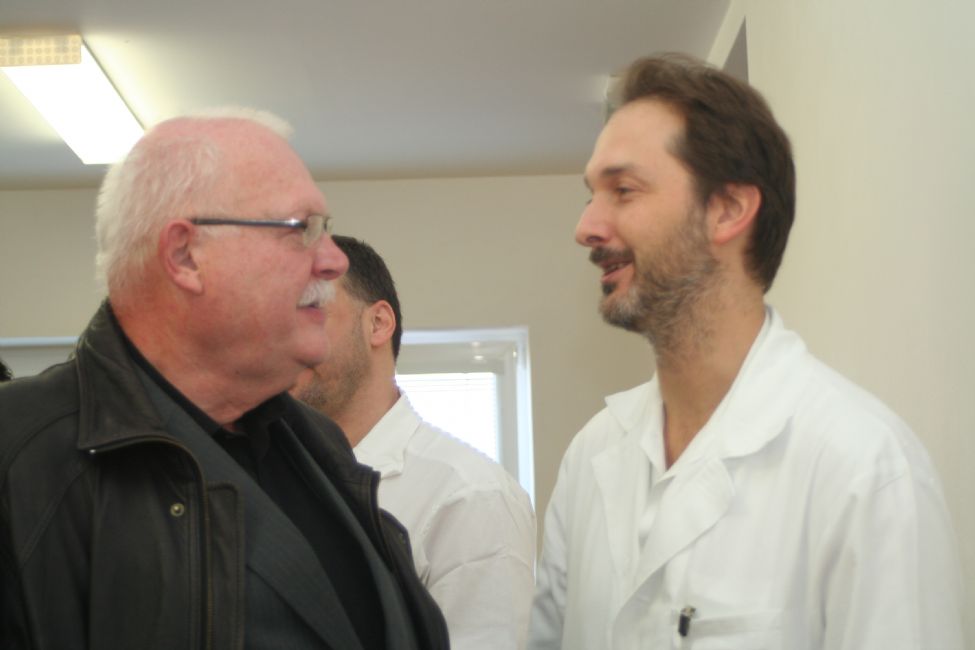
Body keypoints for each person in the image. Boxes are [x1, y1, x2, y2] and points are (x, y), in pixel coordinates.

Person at [528, 54, 963, 649]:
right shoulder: (591, 457)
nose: (586, 227)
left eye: (623, 190)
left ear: (728, 210)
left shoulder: (866, 469)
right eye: (591, 195)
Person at [0, 109, 448, 650]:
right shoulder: (20, 454)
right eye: (301, 229)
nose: (333, 260)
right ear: (185, 256)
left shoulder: (315, 442)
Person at [292, 235, 537, 649]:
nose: (288, 339)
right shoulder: (275, 476)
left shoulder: (469, 496)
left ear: (378, 323)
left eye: (309, 311)